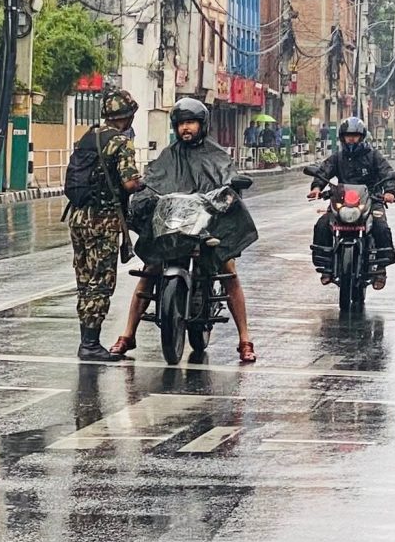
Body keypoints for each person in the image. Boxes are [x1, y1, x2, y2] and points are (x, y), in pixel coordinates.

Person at [112, 98, 260, 364]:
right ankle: (128, 334)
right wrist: (145, 195)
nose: (185, 128)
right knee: (150, 270)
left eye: (190, 122)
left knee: (228, 271)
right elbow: (152, 181)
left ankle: (244, 340)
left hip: (206, 228)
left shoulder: (217, 156)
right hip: (174, 226)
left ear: (202, 124)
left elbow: (229, 183)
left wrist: (228, 192)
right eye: (181, 123)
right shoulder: (167, 156)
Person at [65, 89, 144, 362]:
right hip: (103, 222)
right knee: (100, 283)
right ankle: (90, 344)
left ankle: (86, 340)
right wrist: (143, 183)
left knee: (85, 281)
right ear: (127, 116)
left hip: (78, 219)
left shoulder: (87, 138)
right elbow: (130, 182)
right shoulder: (121, 142)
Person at [308, 116, 395, 290]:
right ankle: (326, 266)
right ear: (342, 137)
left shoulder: (373, 156)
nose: (351, 139)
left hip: (371, 199)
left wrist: (389, 192)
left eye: (355, 136)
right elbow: (324, 171)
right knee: (322, 224)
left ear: (361, 137)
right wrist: (317, 187)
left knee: (381, 226)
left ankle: (380, 270)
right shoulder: (338, 157)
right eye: (348, 136)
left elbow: (387, 173)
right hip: (343, 201)